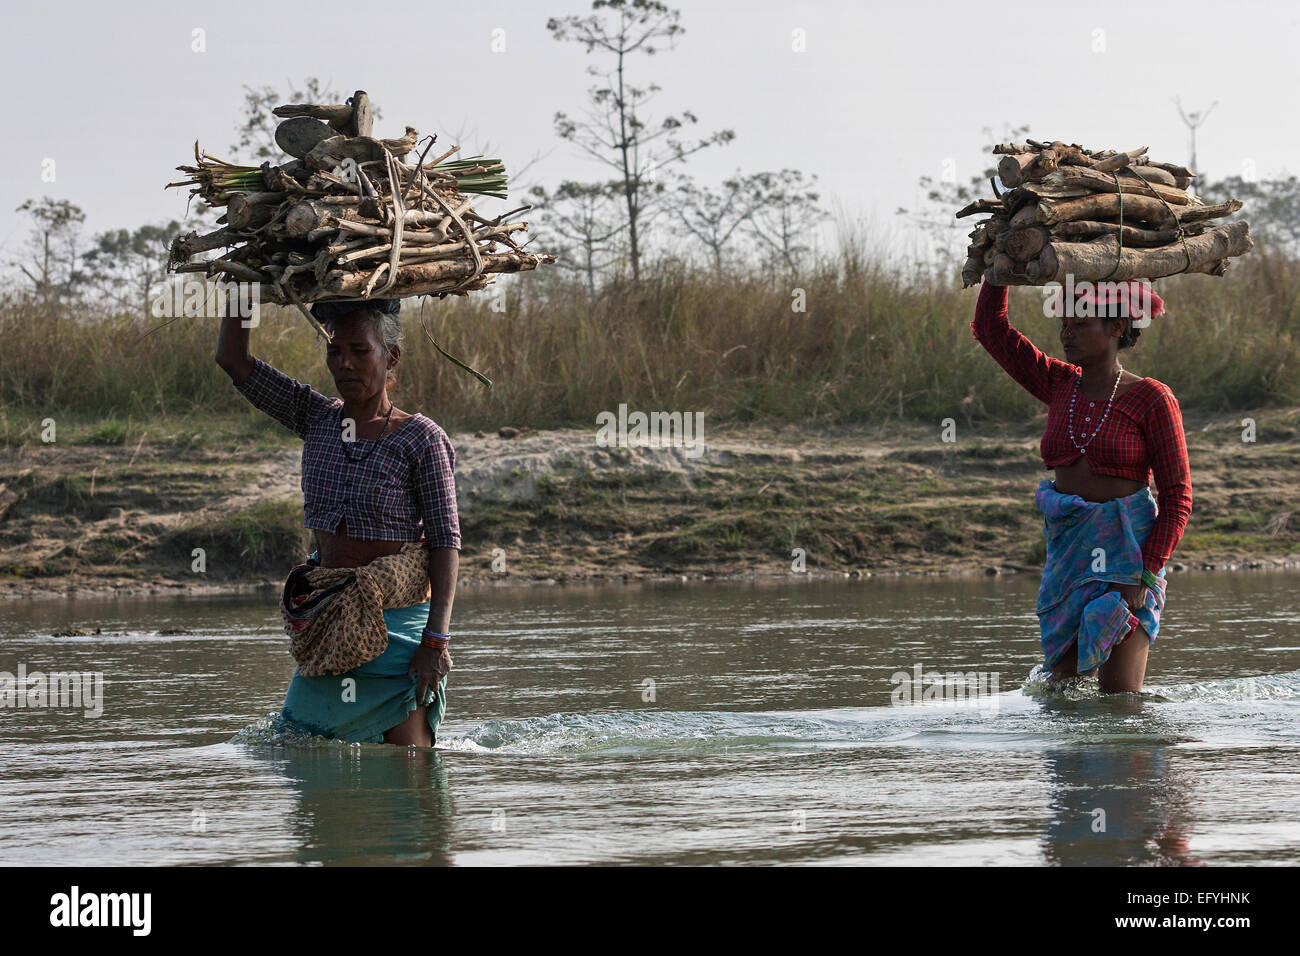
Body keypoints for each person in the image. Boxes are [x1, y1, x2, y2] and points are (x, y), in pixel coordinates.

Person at [216, 296, 460, 745]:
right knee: (303, 752)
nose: (344, 364)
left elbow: (445, 543)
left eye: (360, 351)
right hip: (331, 625)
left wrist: (435, 642)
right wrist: (241, 290)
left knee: (410, 777)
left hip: (398, 637)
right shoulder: (315, 417)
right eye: (334, 351)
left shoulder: (421, 438)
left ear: (392, 357)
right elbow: (232, 359)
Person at [971, 278, 1192, 692]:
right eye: (1064, 324)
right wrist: (997, 265)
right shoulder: (1058, 384)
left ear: (1115, 328)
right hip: (1067, 561)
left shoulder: (1151, 398)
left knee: (1118, 706)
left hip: (1127, 561)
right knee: (1061, 699)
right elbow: (991, 330)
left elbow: (1177, 497)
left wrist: (1143, 574)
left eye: (1080, 324)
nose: (1066, 333)